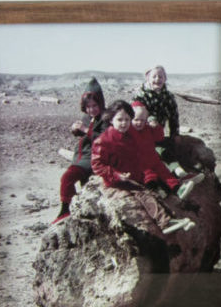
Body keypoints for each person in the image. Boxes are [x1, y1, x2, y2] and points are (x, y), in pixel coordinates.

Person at [130, 65, 217, 175]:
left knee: (177, 146)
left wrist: (175, 133)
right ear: (148, 78)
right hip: (142, 133)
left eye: (160, 77)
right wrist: (151, 119)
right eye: (154, 76)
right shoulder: (140, 95)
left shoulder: (168, 97)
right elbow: (137, 113)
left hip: (158, 133)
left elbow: (173, 116)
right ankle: (175, 171)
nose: (157, 79)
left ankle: (196, 167)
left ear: (165, 79)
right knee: (158, 151)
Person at [90, 100, 182, 193]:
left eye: (127, 119)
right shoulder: (103, 141)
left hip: (134, 176)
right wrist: (117, 175)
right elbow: (97, 165)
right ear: (111, 120)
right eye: (120, 119)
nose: (124, 123)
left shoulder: (129, 135)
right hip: (117, 181)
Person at [54, 78, 110, 222]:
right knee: (85, 186)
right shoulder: (88, 117)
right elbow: (85, 133)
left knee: (67, 178)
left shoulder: (106, 118)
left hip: (92, 158)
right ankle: (78, 210)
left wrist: (85, 130)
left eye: (95, 105)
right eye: (89, 106)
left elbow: (104, 138)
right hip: (81, 157)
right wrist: (76, 130)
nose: (92, 109)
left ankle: (65, 210)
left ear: (101, 104)